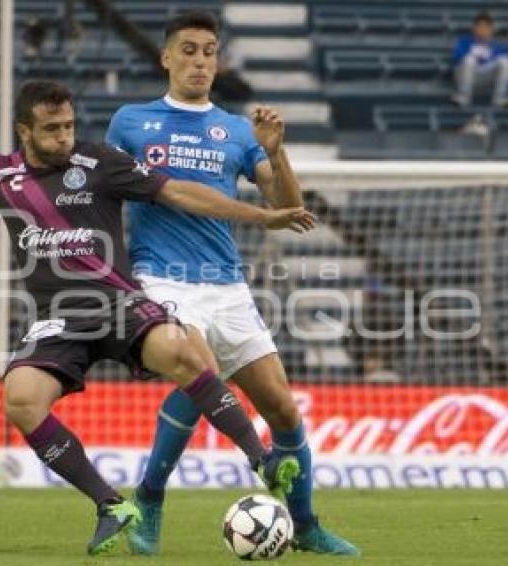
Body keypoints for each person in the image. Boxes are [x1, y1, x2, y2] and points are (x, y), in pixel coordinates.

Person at [0, 80, 314, 556]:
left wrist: (258, 216)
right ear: (25, 131)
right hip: (60, 318)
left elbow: (178, 192)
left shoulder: (100, 162)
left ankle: (263, 460)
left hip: (118, 302)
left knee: (182, 350)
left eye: (69, 126)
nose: (64, 137)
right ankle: (111, 505)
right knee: (20, 399)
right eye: (52, 129)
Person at [105, 10, 359, 557]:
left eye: (210, 51)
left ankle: (307, 525)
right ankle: (149, 500)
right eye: (189, 50)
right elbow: (107, 192)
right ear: (166, 57)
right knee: (199, 373)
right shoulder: (130, 121)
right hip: (161, 277)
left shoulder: (238, 130)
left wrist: (275, 150)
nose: (200, 61)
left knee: (285, 413)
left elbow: (287, 205)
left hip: (227, 285)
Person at [451, 12, 508, 107]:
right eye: (479, 26)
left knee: (505, 61)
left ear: (491, 30)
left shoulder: (497, 46)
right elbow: (456, 59)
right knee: (469, 60)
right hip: (465, 75)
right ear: (474, 28)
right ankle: (463, 97)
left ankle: (499, 99)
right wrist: (474, 55)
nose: (483, 30)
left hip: (486, 77)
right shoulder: (464, 41)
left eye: (486, 27)